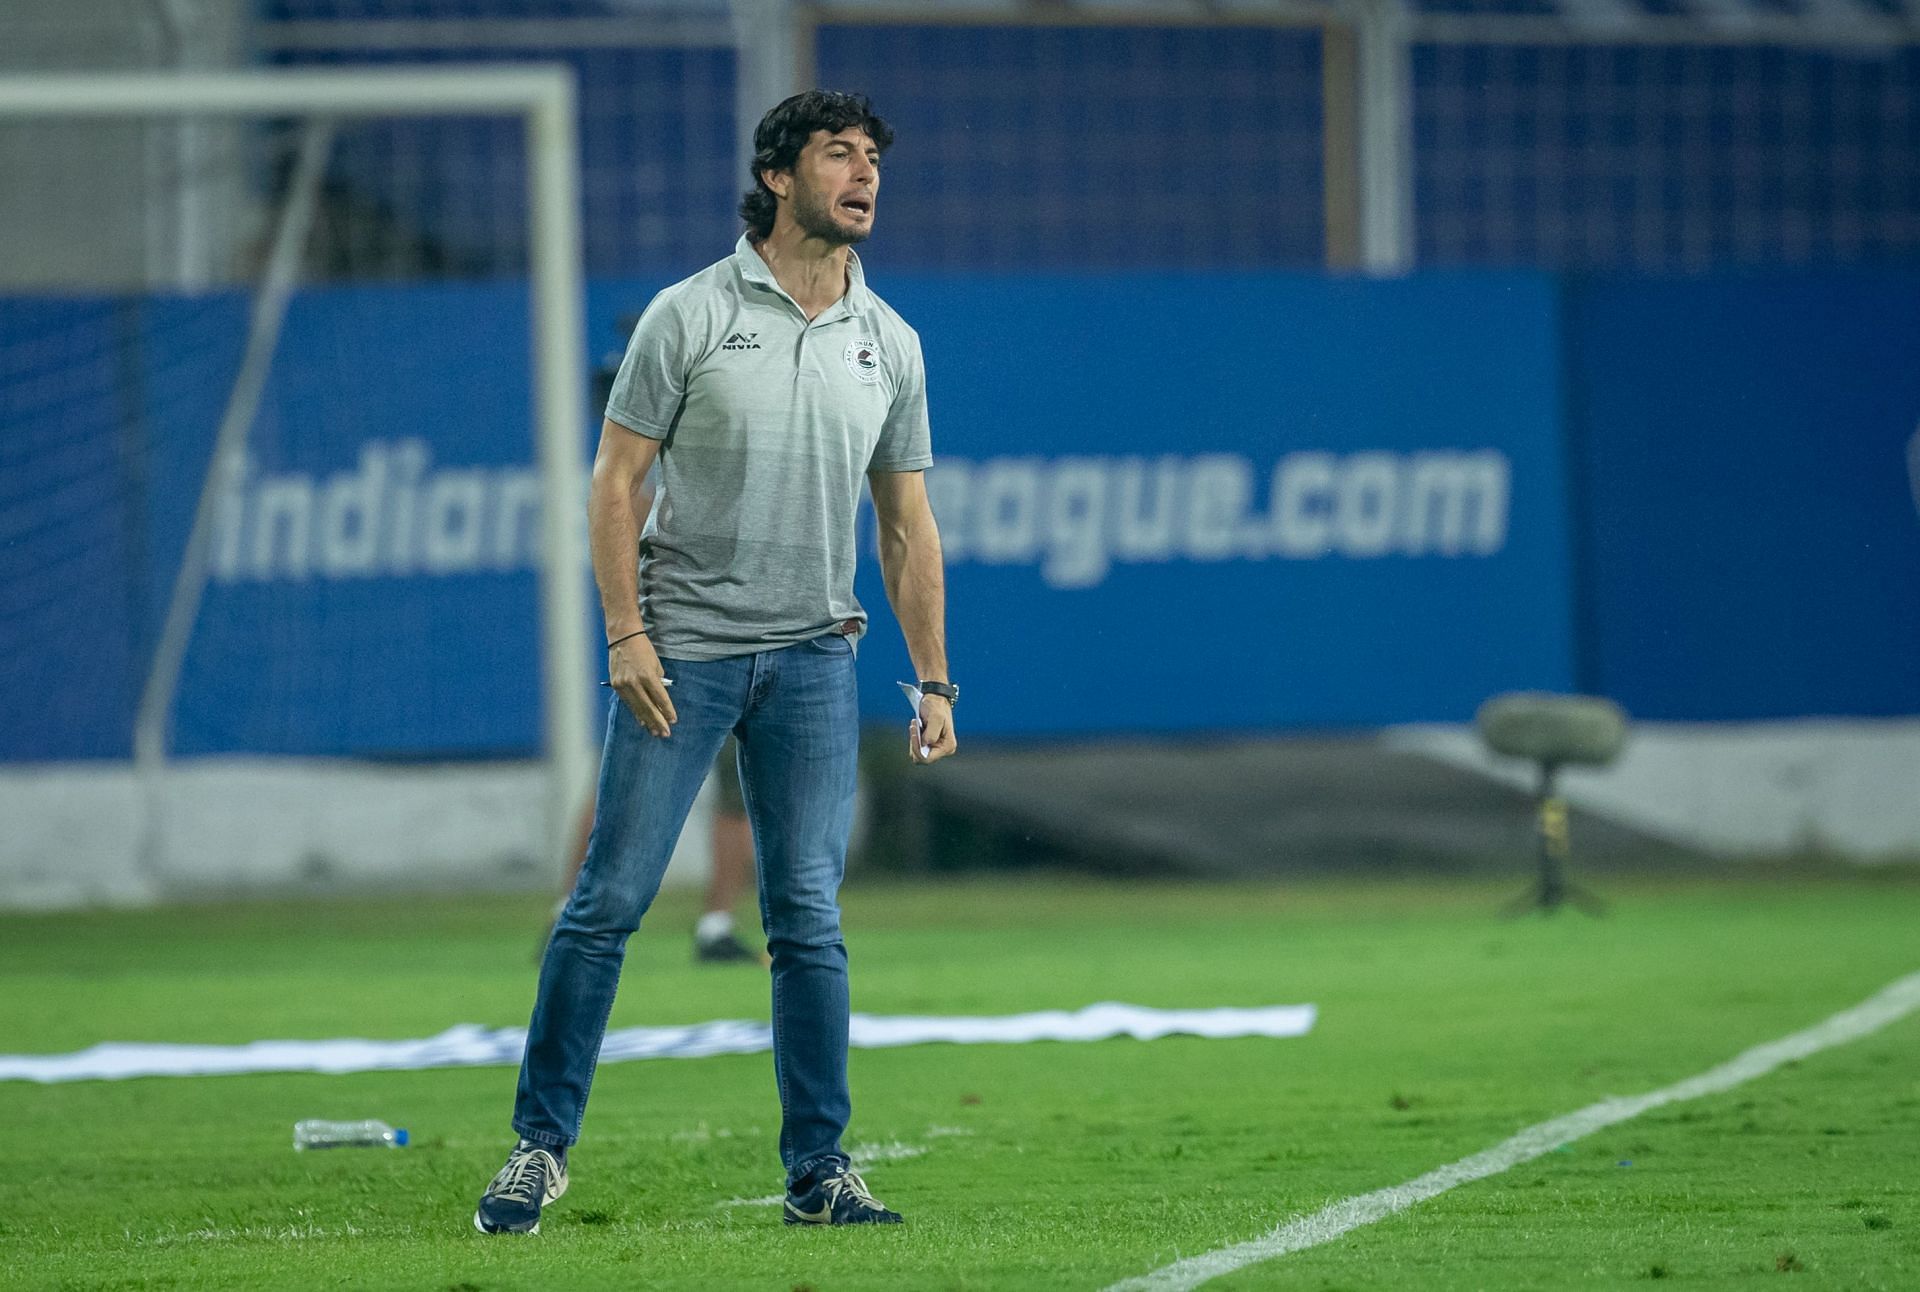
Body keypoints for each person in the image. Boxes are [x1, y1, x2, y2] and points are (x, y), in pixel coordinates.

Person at [475, 89, 956, 1235]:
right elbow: (615, 483)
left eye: (875, 155)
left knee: (809, 919)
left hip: (814, 658)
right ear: (780, 175)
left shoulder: (890, 341)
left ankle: (819, 1169)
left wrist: (934, 675)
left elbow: (907, 524)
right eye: (840, 152)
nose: (866, 171)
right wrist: (626, 631)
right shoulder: (686, 314)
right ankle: (538, 1149)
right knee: (607, 904)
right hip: (681, 654)